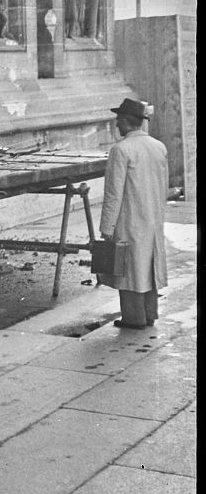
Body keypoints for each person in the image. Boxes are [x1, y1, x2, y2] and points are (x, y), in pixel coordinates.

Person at [98, 98, 169, 329]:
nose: (117, 125)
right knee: (148, 268)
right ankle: (149, 314)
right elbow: (163, 185)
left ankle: (133, 318)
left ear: (127, 122)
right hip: (152, 217)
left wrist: (107, 228)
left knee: (129, 272)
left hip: (130, 219)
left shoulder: (121, 150)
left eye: (119, 120)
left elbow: (113, 194)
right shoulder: (159, 147)